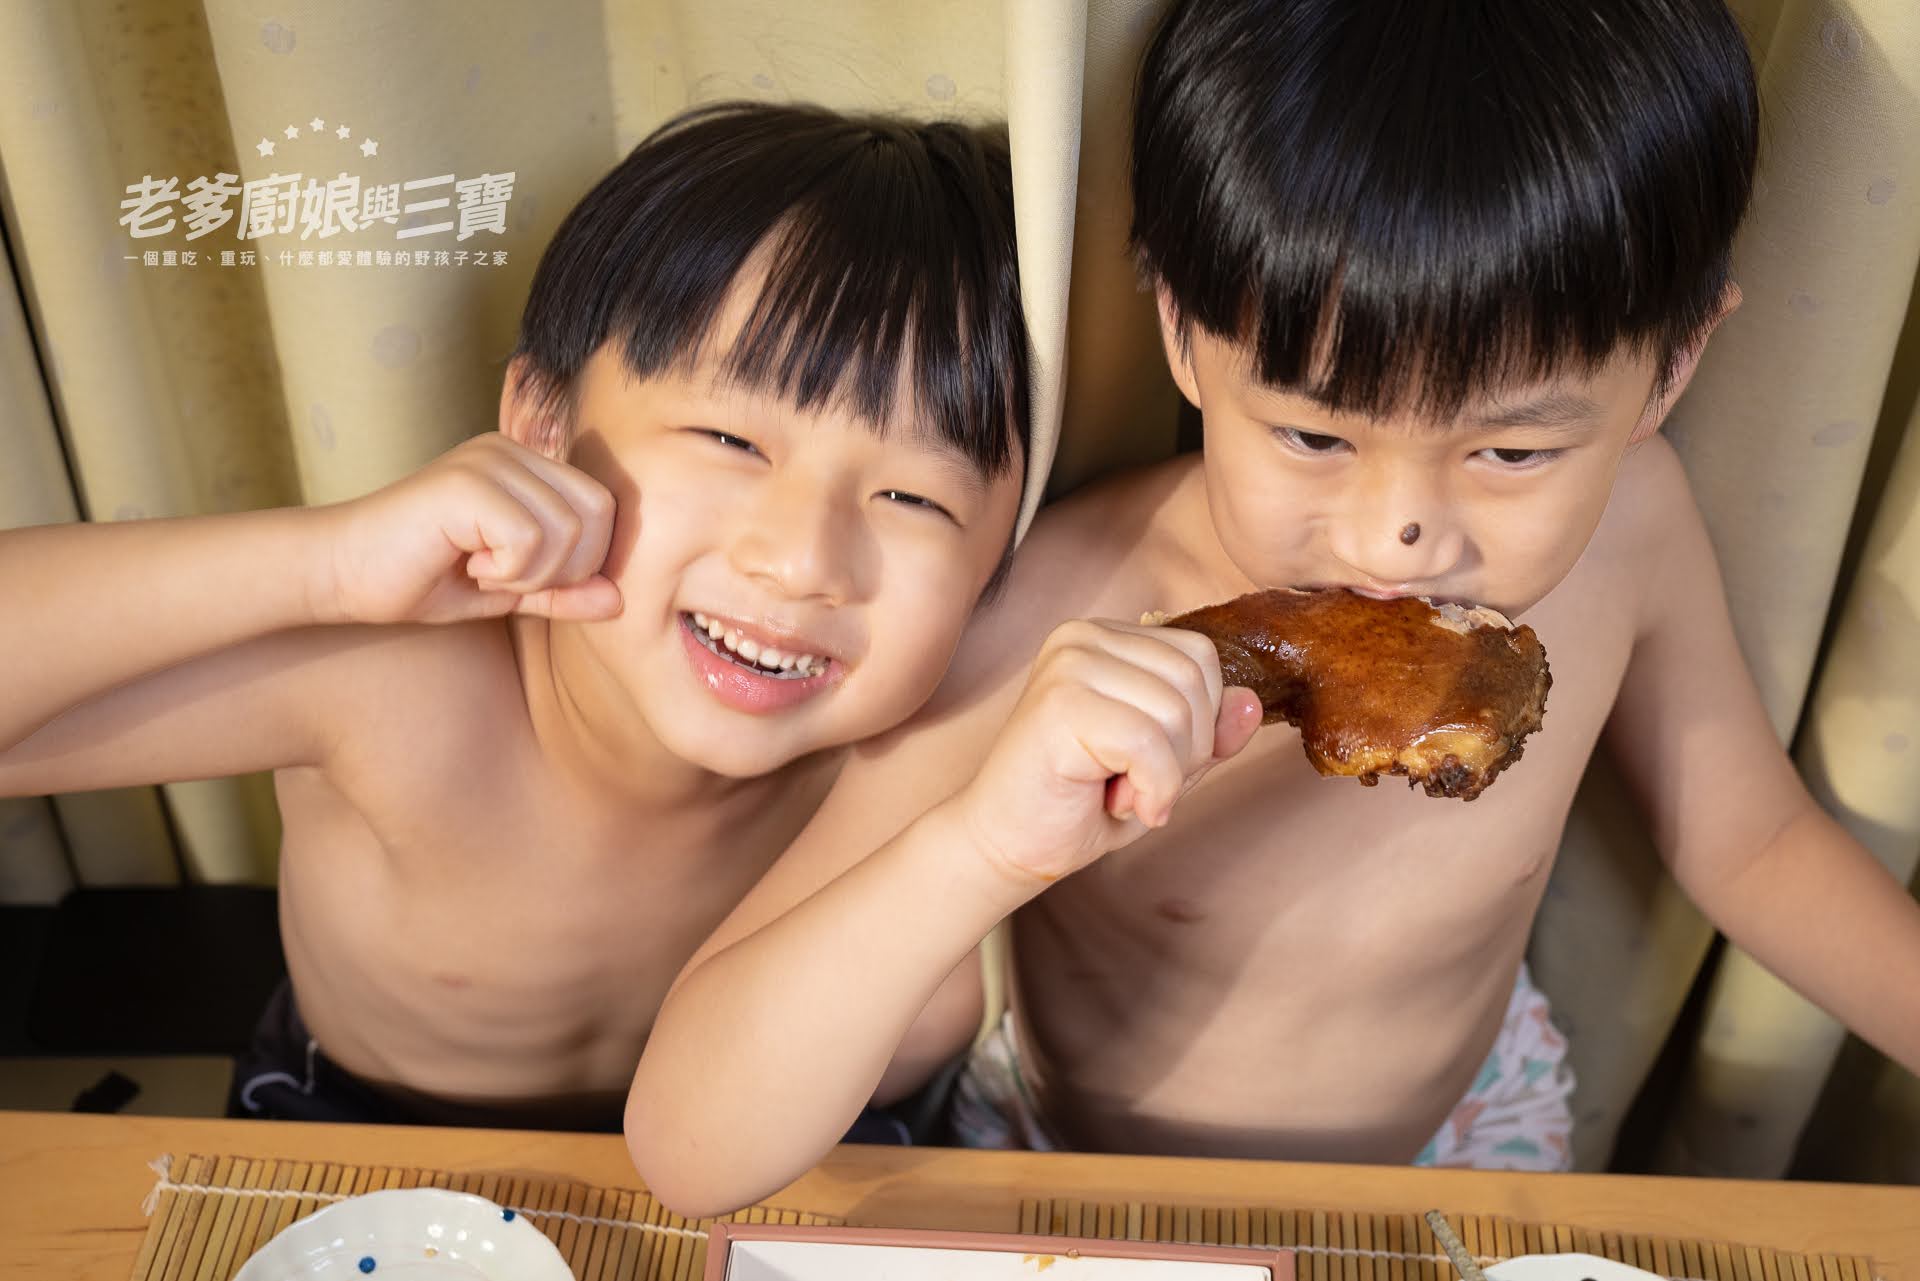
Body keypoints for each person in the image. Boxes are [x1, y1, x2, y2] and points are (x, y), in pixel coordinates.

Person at [627, 0, 1920, 1211]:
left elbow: (1745, 843)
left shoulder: (1636, 526)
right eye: (1312, 435)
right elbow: (689, 1149)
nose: (1397, 532)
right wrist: (985, 848)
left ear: (1673, 366)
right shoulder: (1065, 616)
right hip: (1084, 1176)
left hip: (1467, 1143)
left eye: (1513, 454)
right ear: (1185, 333)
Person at [0, 100, 1030, 1130]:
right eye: (729, 439)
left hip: (768, 1145)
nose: (803, 562)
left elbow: (926, 1034)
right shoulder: (399, 679)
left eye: (913, 499)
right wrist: (324, 564)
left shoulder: (911, 743)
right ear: (543, 424)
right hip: (373, 1141)